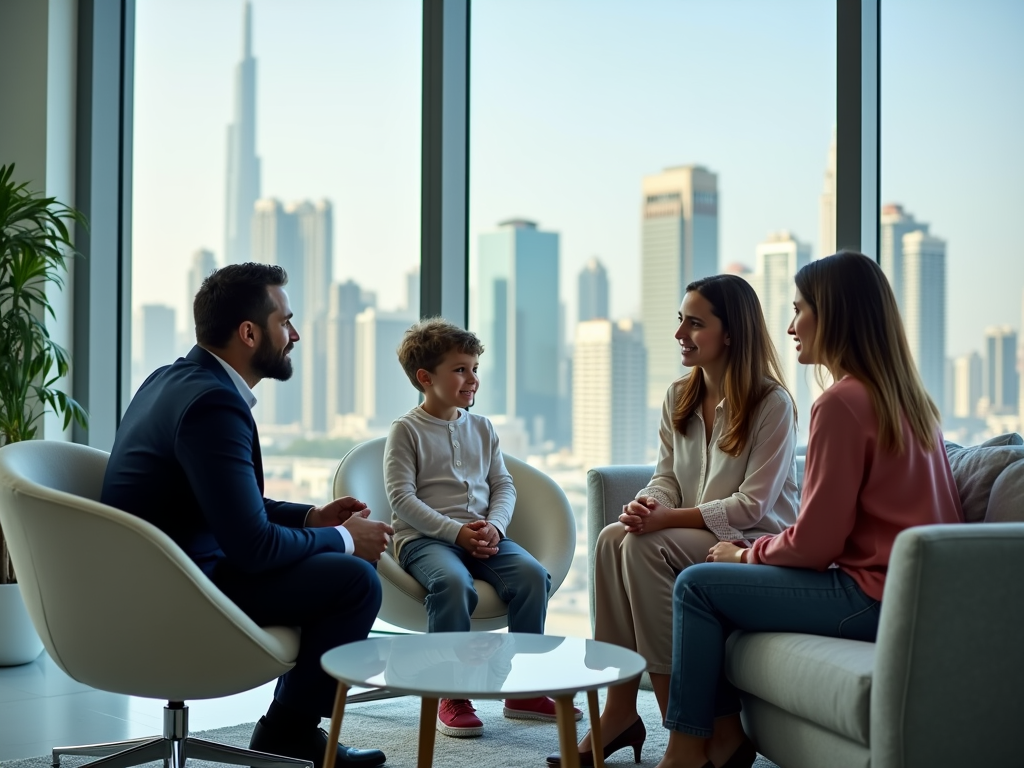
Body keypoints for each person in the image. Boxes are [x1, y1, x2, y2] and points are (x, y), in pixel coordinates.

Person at [654, 252, 964, 768]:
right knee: (718, 571)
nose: (791, 326)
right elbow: (838, 525)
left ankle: (688, 751)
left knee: (699, 584)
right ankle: (720, 740)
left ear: (835, 315)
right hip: (914, 598)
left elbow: (818, 545)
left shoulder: (840, 403)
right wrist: (760, 547)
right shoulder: (910, 399)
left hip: (870, 596)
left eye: (801, 310)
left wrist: (742, 557)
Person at [101, 264, 393, 768]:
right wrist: (346, 539)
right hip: (180, 591)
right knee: (355, 579)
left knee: (342, 567)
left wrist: (311, 518)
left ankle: (289, 728)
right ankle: (288, 732)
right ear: (249, 333)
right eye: (286, 321)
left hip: (149, 577)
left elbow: (220, 504)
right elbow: (253, 547)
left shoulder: (171, 380)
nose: (295, 334)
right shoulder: (214, 404)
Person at [549, 274, 799, 766]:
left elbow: (752, 505)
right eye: (681, 320)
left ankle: (685, 732)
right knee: (610, 537)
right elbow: (666, 477)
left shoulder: (773, 404)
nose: (681, 332)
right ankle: (620, 708)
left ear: (731, 333)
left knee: (644, 546)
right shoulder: (677, 396)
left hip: (752, 541)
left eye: (695, 323)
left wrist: (665, 521)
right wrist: (646, 504)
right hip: (694, 531)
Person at [384, 318, 581, 738]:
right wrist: (456, 534)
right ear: (425, 377)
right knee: (455, 585)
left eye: (474, 368)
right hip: (424, 541)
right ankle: (450, 692)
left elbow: (502, 485)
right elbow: (402, 500)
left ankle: (524, 689)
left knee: (532, 577)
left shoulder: (483, 427)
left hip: (484, 535)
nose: (472, 379)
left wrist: (495, 525)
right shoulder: (405, 431)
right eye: (460, 369)